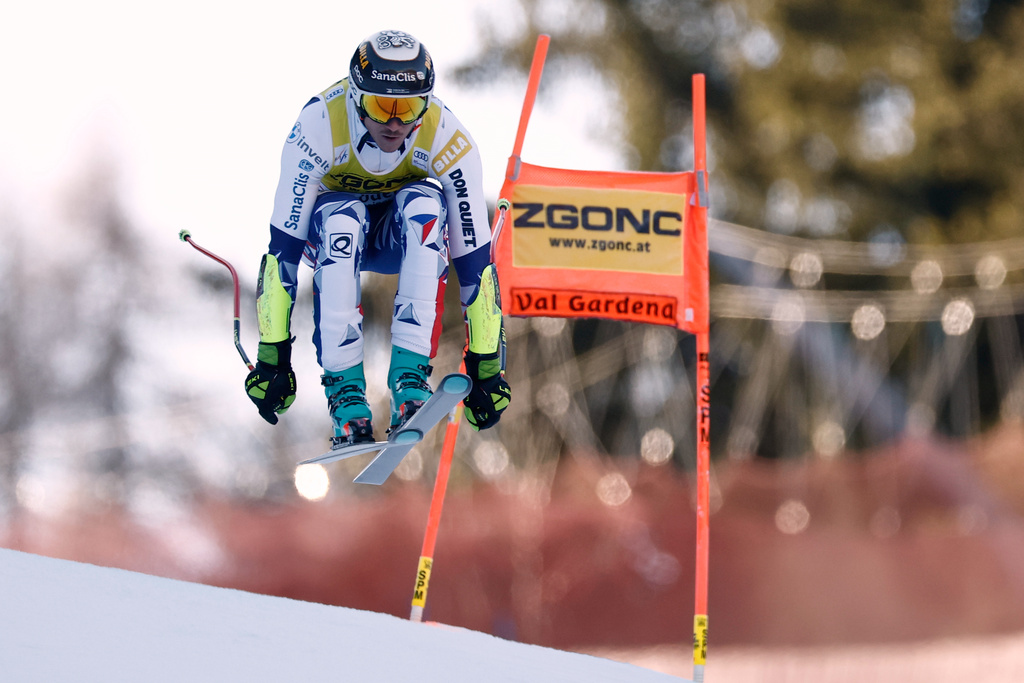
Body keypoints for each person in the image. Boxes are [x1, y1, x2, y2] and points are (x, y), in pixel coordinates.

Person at [244, 29, 511, 447]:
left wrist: (487, 365)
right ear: (355, 96)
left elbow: (476, 266)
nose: (394, 122)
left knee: (427, 204)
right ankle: (346, 394)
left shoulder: (447, 137)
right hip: (331, 236)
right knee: (341, 217)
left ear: (426, 103)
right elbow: (282, 257)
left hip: (395, 239)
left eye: (408, 108)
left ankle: (409, 377)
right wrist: (272, 355)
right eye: (380, 105)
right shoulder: (318, 126)